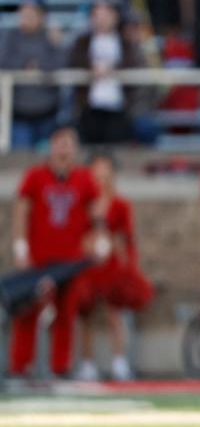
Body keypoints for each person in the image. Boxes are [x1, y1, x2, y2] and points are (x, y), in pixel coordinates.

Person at [9, 126, 107, 377]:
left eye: (70, 142)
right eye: (60, 141)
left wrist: (98, 239)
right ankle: (21, 366)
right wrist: (21, 246)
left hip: (69, 261)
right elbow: (22, 211)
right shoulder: (35, 176)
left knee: (66, 312)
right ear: (51, 144)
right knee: (27, 310)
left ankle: (60, 367)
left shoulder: (84, 178)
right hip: (40, 259)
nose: (65, 147)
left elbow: (98, 212)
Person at [74, 152, 153, 382]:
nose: (101, 180)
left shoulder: (120, 204)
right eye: (96, 175)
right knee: (85, 314)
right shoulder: (83, 205)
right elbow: (76, 234)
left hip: (111, 266)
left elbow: (127, 238)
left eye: (105, 176)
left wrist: (128, 264)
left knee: (114, 313)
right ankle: (87, 363)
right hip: (88, 265)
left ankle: (119, 361)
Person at [69, 0, 146, 145]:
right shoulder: (83, 42)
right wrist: (91, 68)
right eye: (97, 15)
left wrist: (112, 69)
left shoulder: (125, 43)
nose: (101, 19)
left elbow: (135, 66)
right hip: (89, 108)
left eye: (106, 14)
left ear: (115, 17)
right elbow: (73, 62)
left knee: (116, 152)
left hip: (118, 107)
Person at [0, 0, 64, 149]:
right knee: (21, 159)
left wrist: (57, 46)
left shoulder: (50, 37)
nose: (27, 15)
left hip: (47, 113)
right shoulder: (10, 36)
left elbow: (59, 66)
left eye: (32, 11)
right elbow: (4, 64)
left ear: (42, 15)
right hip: (19, 114)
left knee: (48, 163)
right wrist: (25, 65)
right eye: (24, 11)